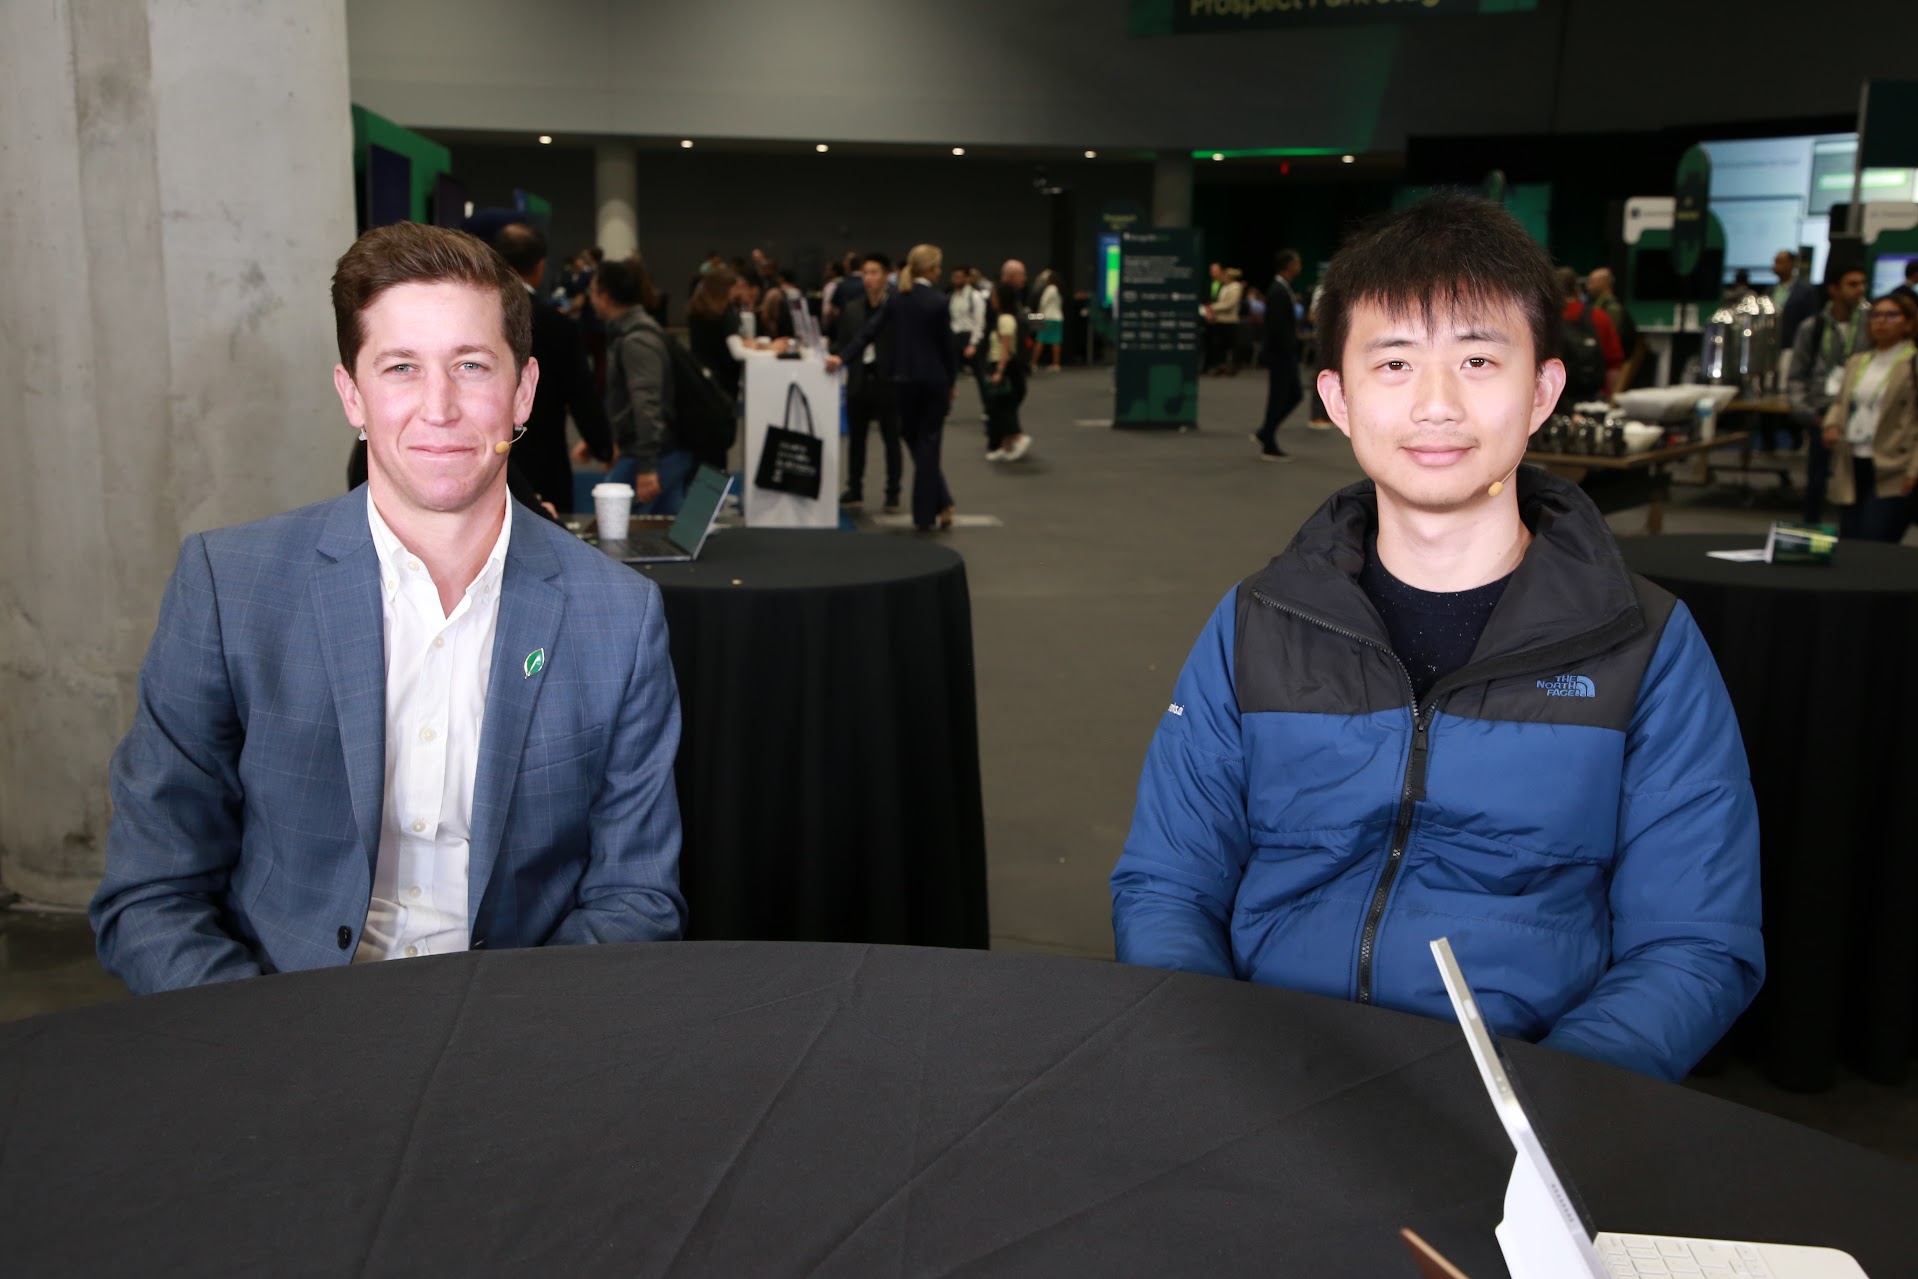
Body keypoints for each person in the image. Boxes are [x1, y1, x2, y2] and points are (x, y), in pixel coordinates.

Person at [1110, 193, 1763, 1084]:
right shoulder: (1258, 623)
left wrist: (1545, 1111)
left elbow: (1695, 942)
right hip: (1267, 1075)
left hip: (1524, 1101)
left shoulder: (1644, 646)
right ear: (1337, 398)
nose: (1436, 404)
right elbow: (1166, 884)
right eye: (1394, 363)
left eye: (1479, 358)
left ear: (1542, 392)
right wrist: (1222, 1066)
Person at [90, 222, 687, 995]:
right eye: (401, 367)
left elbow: (636, 896)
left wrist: (502, 1041)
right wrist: (270, 1049)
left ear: (523, 392)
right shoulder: (228, 587)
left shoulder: (621, 616)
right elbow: (151, 893)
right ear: (352, 395)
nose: (439, 408)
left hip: (514, 1028)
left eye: (471, 366)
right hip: (277, 1024)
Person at [830, 244, 960, 532]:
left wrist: (842, 357)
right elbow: (947, 348)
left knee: (913, 440)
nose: (940, 272)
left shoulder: (898, 299)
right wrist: (951, 381)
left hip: (902, 381)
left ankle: (944, 501)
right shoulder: (939, 302)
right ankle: (926, 513)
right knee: (928, 445)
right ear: (930, 269)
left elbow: (869, 331)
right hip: (933, 381)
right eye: (938, 267)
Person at [491, 224, 610, 514]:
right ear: (540, 266)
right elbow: (582, 394)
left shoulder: (470, 318)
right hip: (544, 461)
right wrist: (602, 445)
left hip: (482, 464)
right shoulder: (558, 326)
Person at [592, 258, 695, 515]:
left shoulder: (637, 340)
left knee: (613, 527)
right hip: (658, 451)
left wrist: (647, 467)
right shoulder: (632, 333)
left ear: (605, 296)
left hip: (653, 455)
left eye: (592, 292)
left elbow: (647, 404)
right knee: (666, 530)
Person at [1821, 290, 1918, 542]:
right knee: (1850, 539)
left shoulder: (1913, 363)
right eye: (1876, 315)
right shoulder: (1858, 361)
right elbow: (1841, 402)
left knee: (1875, 539)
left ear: (1908, 322)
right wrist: (1831, 424)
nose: (1881, 321)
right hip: (1853, 458)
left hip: (1895, 462)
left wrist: (1914, 469)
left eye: (1891, 315)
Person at [1787, 265, 1870, 523]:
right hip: (1821, 414)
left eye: (1862, 284)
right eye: (1852, 284)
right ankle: (1809, 533)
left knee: (1857, 484)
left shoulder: (1871, 326)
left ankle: (1855, 539)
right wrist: (1809, 415)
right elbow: (1797, 376)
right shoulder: (1812, 328)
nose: (1860, 290)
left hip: (1859, 414)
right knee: (1816, 482)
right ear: (1834, 289)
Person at [831, 252, 904, 512]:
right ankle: (854, 488)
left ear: (886, 276)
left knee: (891, 438)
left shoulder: (897, 306)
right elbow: (844, 343)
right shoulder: (852, 308)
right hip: (859, 380)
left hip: (888, 380)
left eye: (874, 273)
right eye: (865, 273)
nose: (869, 278)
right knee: (857, 439)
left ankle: (893, 491)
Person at [1253, 249, 1303, 460]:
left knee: (1294, 394)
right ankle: (1268, 442)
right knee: (1280, 397)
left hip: (1285, 354)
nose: (1299, 266)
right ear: (1287, 266)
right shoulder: (1277, 291)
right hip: (1281, 355)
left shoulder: (1282, 290)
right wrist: (1288, 348)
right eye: (1296, 262)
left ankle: (1266, 432)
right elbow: (1276, 327)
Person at [1556, 265, 1623, 410]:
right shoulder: (1599, 317)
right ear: (1576, 289)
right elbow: (1614, 363)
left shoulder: (1544, 318)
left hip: (1552, 403)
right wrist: (1610, 400)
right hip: (1591, 403)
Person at [984, 281, 1031, 462]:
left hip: (1006, 367)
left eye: (994, 296)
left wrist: (999, 371)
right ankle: (1005, 447)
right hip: (1004, 366)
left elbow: (1005, 349)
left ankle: (1019, 438)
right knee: (1001, 407)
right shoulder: (1003, 318)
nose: (991, 299)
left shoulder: (1005, 320)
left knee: (1002, 407)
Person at [686, 265, 747, 401]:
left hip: (699, 376)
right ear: (725, 288)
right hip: (723, 382)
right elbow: (737, 352)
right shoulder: (725, 313)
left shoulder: (696, 310)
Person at [1772, 249, 1819, 344]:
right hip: (1771, 342)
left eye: (1779, 262)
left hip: (1793, 343)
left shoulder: (1805, 290)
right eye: (1775, 262)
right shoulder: (1770, 290)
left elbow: (1811, 320)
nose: (1775, 266)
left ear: (1791, 264)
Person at [1035, 269, 1066, 372]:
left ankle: (1033, 363)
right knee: (1056, 341)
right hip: (1057, 318)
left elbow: (1043, 303)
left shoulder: (1050, 289)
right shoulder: (1057, 289)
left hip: (1048, 318)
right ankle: (1056, 364)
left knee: (1040, 340)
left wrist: (1037, 316)